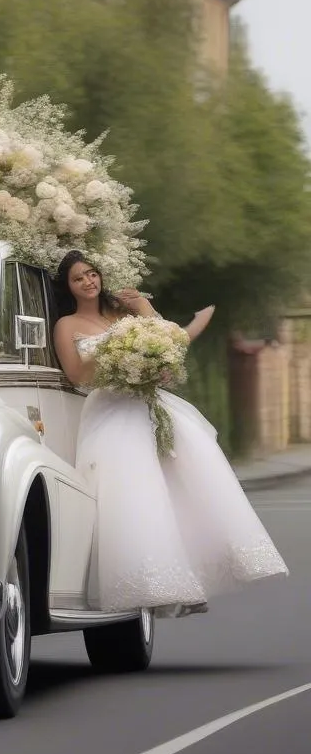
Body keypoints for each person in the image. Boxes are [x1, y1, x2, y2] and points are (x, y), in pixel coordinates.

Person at [51, 249, 288, 617]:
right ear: (68, 286)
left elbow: (169, 342)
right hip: (109, 407)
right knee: (134, 495)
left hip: (148, 404)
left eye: (92, 274)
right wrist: (114, 352)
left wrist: (144, 319)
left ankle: (190, 578)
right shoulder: (66, 324)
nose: (88, 282)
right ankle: (155, 584)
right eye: (78, 278)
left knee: (180, 486)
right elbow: (77, 375)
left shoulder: (121, 312)